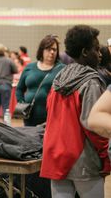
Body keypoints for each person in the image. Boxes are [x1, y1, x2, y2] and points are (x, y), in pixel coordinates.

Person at [40, 25, 110, 198]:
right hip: (83, 160)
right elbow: (93, 126)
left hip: (55, 156)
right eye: (96, 49)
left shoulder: (59, 78)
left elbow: (49, 114)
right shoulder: (91, 82)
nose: (100, 53)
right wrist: (105, 159)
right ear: (85, 52)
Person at [16, 35, 65, 126]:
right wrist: (21, 103)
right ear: (41, 50)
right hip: (29, 116)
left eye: (54, 49)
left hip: (51, 118)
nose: (52, 52)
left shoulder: (62, 69)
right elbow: (19, 89)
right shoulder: (29, 68)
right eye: (48, 49)